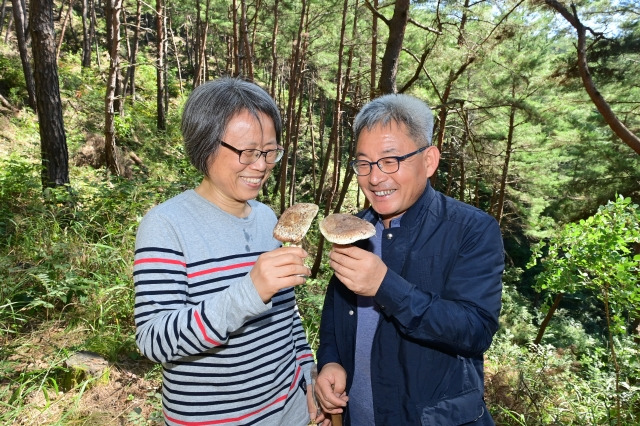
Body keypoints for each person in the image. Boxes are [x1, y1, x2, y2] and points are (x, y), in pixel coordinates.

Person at [133, 77, 323, 426]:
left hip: (289, 411)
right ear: (205, 145)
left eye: (270, 151)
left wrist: (307, 375)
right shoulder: (166, 225)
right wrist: (249, 292)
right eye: (248, 152)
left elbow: (287, 316)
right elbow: (154, 340)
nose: (262, 165)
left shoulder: (268, 219)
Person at [314, 93, 504, 425]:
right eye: (364, 163)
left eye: (390, 160)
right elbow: (335, 312)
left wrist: (384, 285)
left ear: (429, 161)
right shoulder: (356, 230)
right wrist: (330, 361)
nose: (374, 178)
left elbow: (475, 330)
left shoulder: (471, 230)